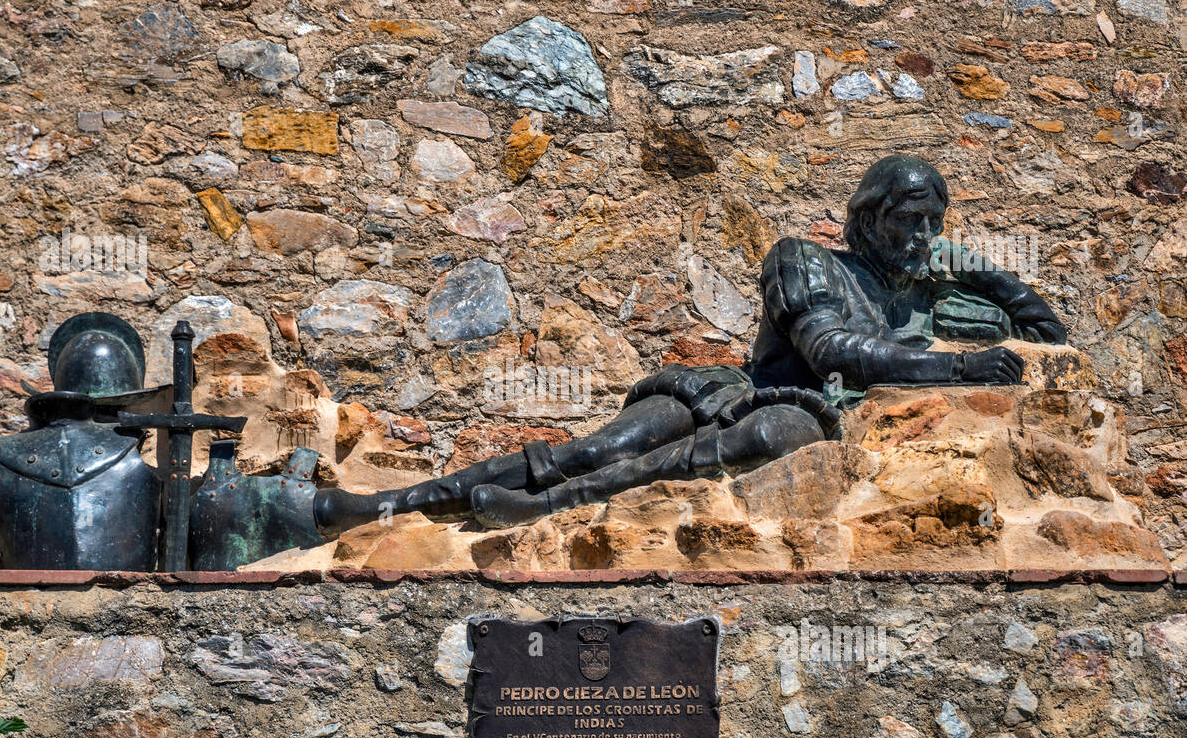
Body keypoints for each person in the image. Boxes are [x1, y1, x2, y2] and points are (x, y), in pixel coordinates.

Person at [313, 154, 1067, 533]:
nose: (923, 238)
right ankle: (383, 505)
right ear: (867, 219)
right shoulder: (801, 259)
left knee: (774, 436)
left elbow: (1046, 329)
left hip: (806, 416)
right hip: (731, 388)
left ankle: (539, 512)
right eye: (909, 221)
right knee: (594, 448)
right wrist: (959, 362)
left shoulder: (924, 288)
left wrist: (971, 269)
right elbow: (834, 350)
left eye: (935, 223)